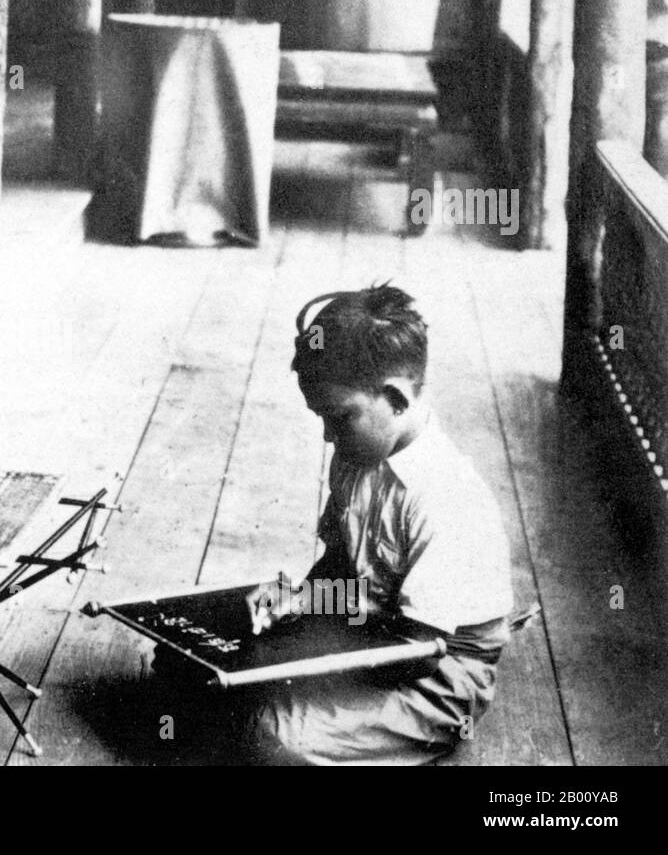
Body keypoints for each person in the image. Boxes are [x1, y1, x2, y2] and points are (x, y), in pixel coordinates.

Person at [162, 284, 515, 764]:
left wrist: (291, 662)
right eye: (321, 419)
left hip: (435, 669)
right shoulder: (355, 455)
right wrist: (302, 597)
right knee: (185, 657)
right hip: (373, 628)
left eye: (339, 417)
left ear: (395, 398)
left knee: (275, 738)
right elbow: (340, 566)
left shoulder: (447, 498)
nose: (328, 436)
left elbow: (413, 653)